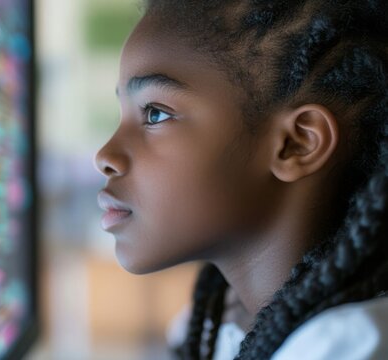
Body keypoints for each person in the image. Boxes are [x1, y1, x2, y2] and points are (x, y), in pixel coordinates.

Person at [94, 0, 388, 359]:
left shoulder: (348, 345)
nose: (105, 156)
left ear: (297, 144)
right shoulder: (215, 324)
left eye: (155, 114)